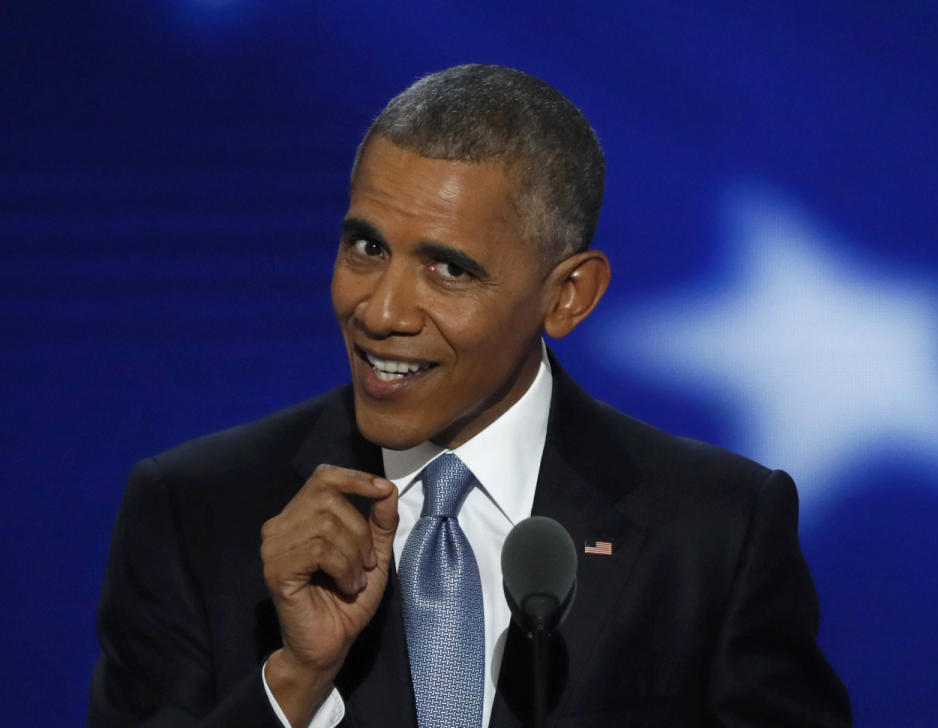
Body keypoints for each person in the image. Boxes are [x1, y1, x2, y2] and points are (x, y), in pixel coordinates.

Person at [88, 64, 851, 727]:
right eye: (367, 247)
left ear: (569, 297)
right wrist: (293, 682)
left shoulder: (715, 531)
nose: (381, 312)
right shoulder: (196, 512)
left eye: (449, 269)